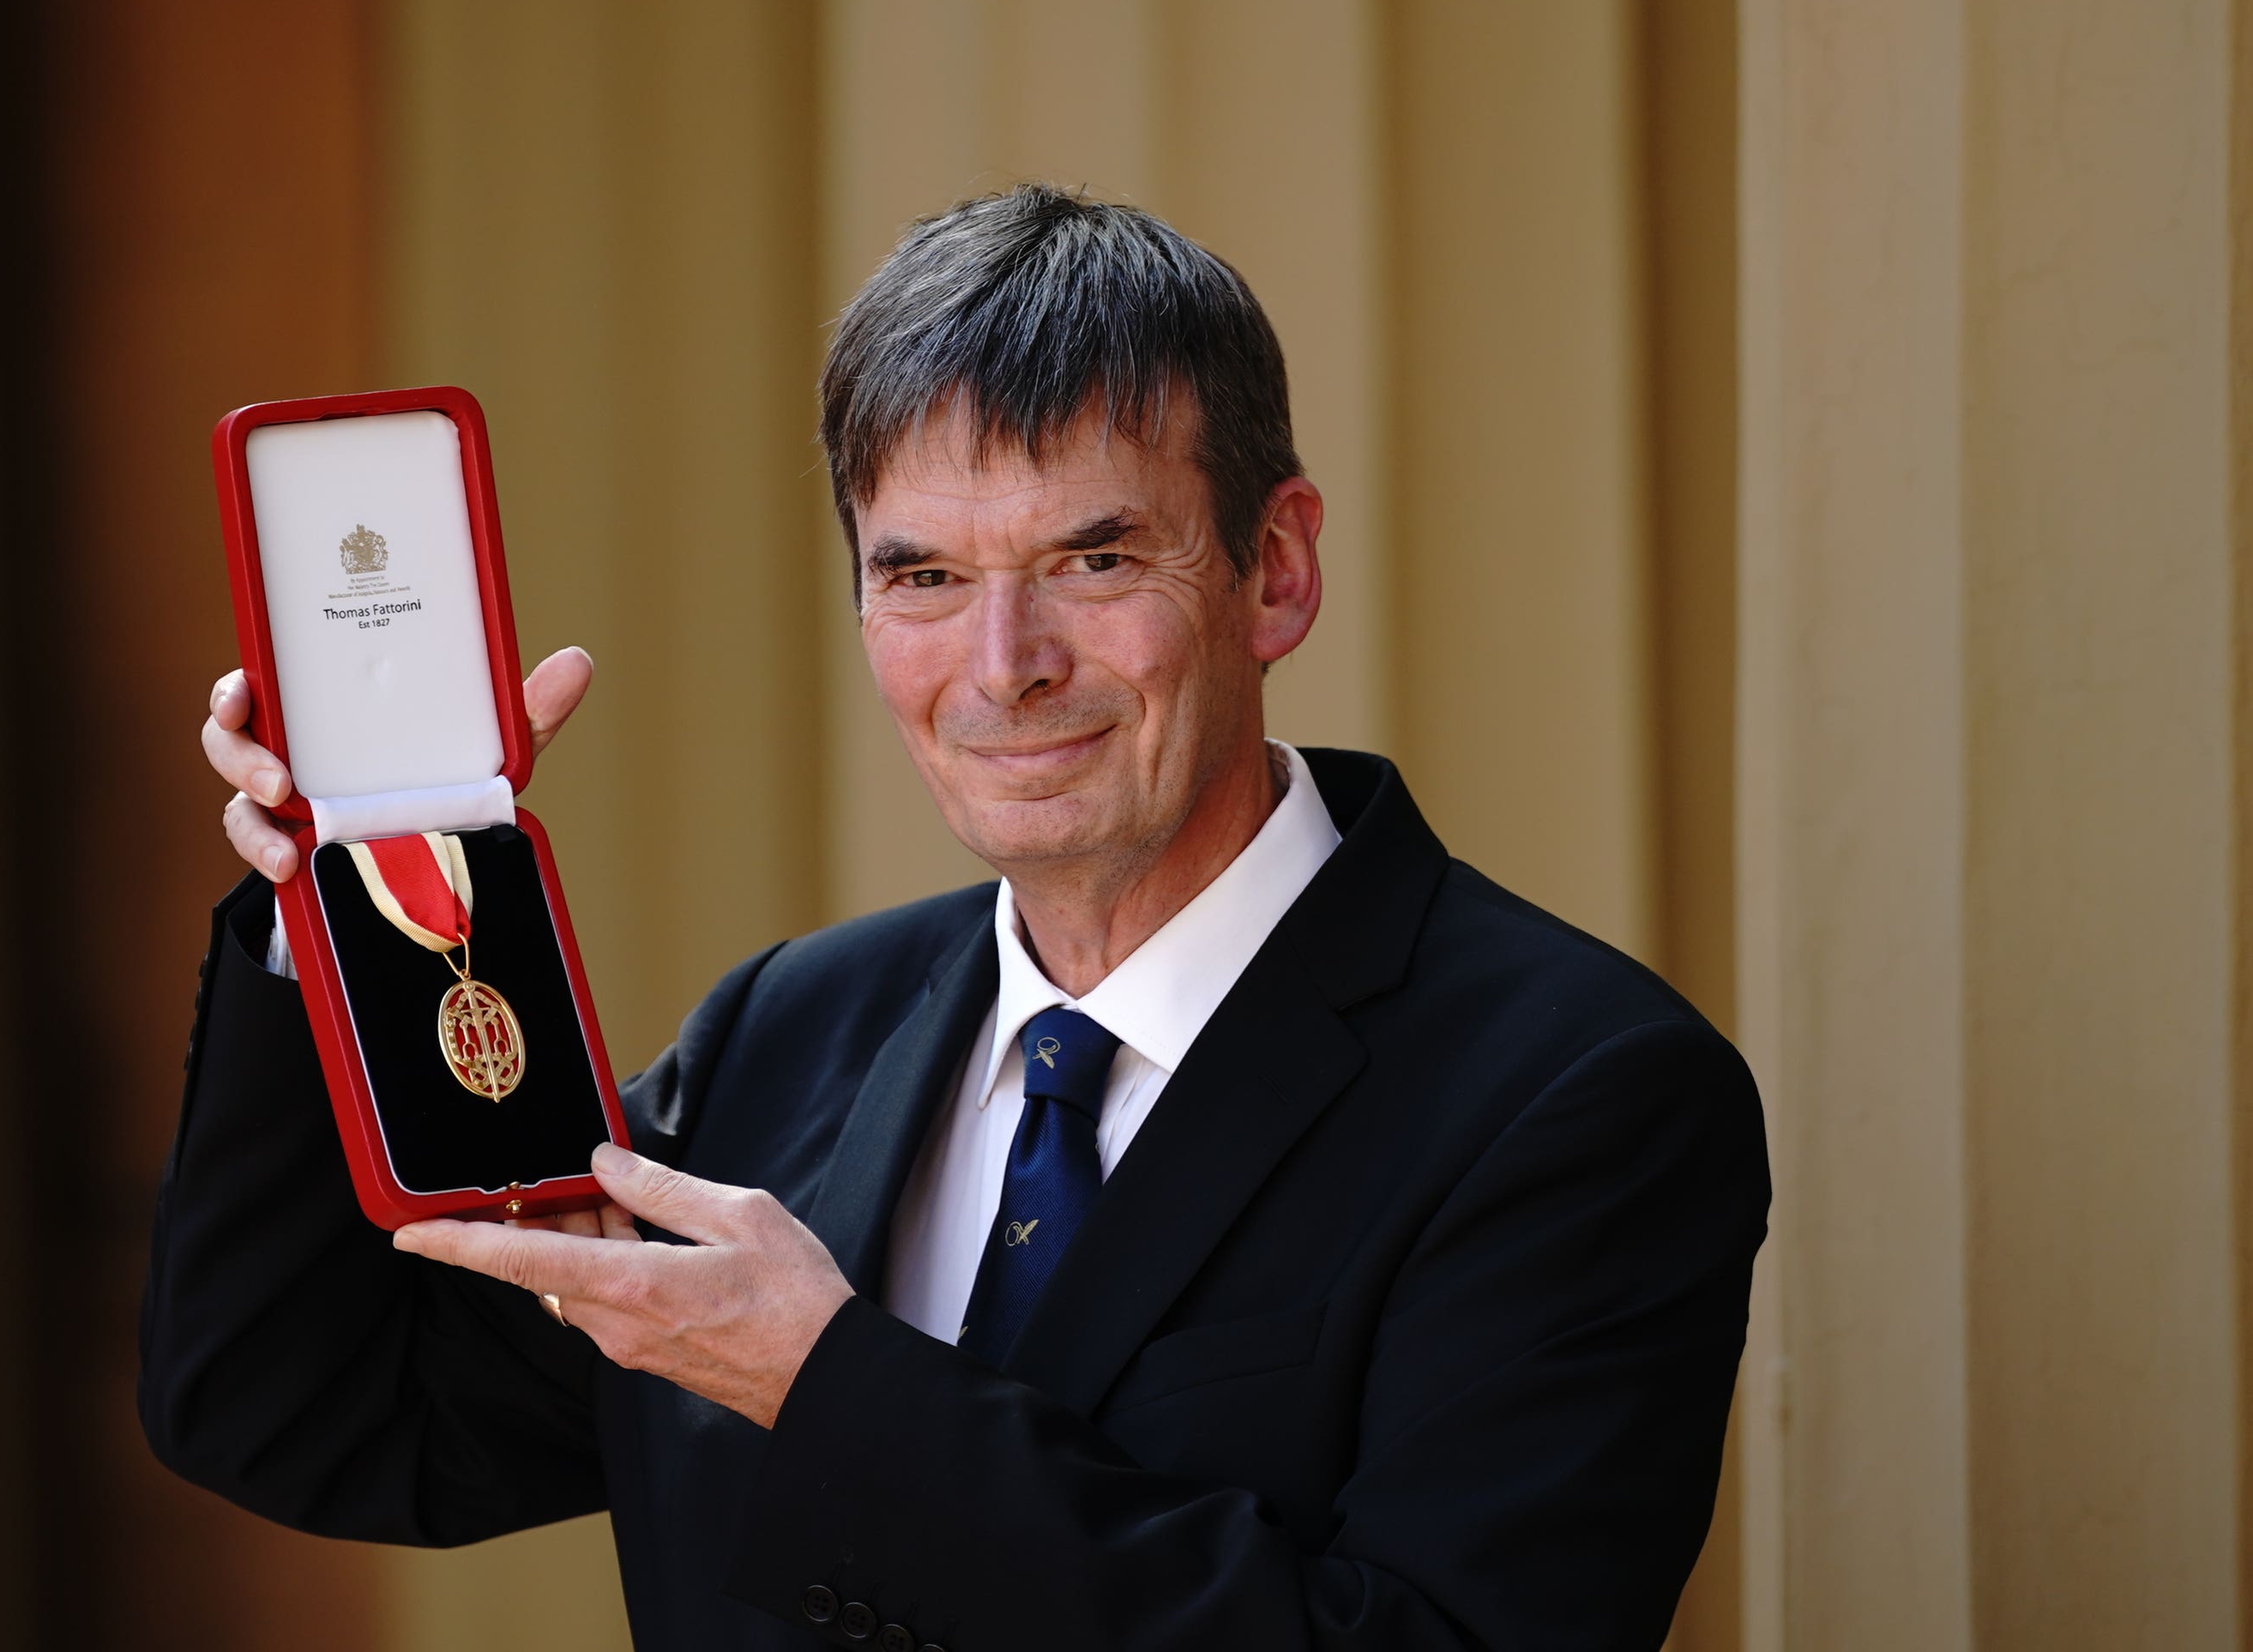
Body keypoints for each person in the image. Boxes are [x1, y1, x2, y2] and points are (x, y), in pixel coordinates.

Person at [142, 184, 1768, 1651]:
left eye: (1094, 555)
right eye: (923, 577)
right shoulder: (789, 1031)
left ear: (1275, 570)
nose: (1004, 666)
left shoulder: (1582, 1094)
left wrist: (830, 1389)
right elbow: (312, 1413)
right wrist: (356, 873)